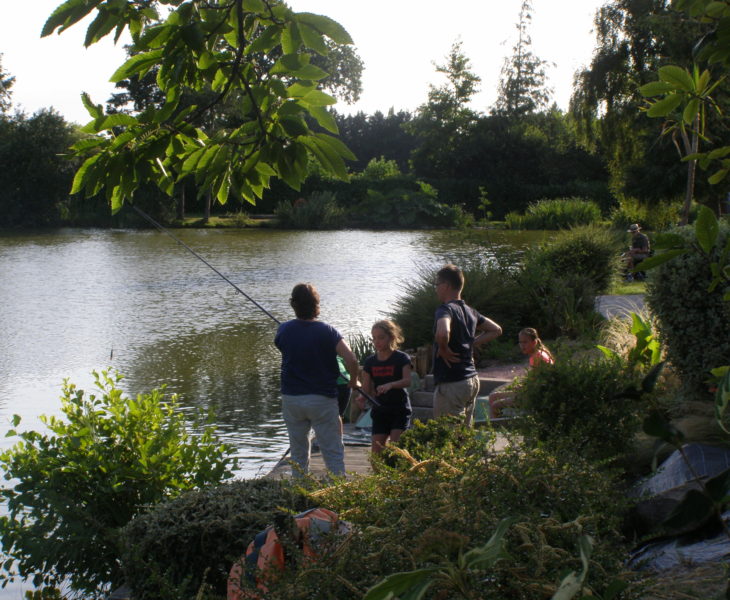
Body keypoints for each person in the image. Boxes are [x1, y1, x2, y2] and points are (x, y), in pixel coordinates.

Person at [274, 283, 360, 477]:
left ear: (293, 304)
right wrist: (353, 381)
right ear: (316, 304)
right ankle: (338, 492)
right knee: (332, 450)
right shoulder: (328, 331)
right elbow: (351, 359)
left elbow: (282, 347)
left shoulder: (284, 329)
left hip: (292, 398)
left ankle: (300, 493)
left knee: (298, 453)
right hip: (322, 398)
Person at [432, 264, 502, 426]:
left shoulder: (445, 310)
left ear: (446, 286)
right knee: (463, 435)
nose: (436, 289)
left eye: (437, 284)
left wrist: (443, 348)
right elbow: (496, 330)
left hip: (452, 383)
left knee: (446, 436)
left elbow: (443, 332)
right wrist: (471, 343)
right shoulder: (470, 311)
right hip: (471, 380)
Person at [356, 320, 412, 454]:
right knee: (376, 452)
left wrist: (391, 385)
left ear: (391, 337)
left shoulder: (402, 358)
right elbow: (366, 388)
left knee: (396, 450)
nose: (377, 342)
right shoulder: (370, 361)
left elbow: (407, 381)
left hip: (400, 409)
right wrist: (361, 398)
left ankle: (399, 474)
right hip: (380, 409)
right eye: (374, 338)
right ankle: (379, 475)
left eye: (381, 337)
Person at [488, 327, 554, 419]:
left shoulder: (538, 357)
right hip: (531, 391)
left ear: (534, 342)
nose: (522, 345)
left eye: (525, 342)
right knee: (493, 397)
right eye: (520, 342)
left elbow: (538, 384)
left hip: (536, 395)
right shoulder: (537, 354)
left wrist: (521, 388)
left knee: (495, 405)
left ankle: (494, 429)